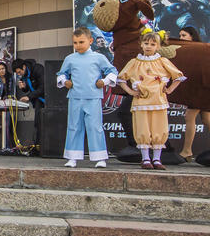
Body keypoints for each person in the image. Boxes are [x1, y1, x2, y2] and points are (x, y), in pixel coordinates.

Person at [117, 30, 185, 170]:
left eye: (153, 44)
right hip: (141, 102)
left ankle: (157, 159)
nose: (149, 46)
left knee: (159, 129)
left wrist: (170, 89)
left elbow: (178, 76)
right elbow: (121, 79)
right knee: (143, 129)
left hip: (158, 101)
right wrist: (131, 92)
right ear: (141, 44)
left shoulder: (162, 61)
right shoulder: (134, 62)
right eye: (146, 43)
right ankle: (145, 158)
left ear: (158, 46)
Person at [56, 28, 118, 168]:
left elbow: (112, 71)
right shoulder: (70, 59)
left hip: (93, 97)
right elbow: (61, 73)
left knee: (95, 127)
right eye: (75, 42)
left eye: (81, 42)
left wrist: (104, 81)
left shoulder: (99, 57)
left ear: (90, 41)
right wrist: (65, 82)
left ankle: (100, 158)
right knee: (74, 126)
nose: (78, 45)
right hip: (75, 97)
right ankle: (72, 157)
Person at [176, 26, 210, 161]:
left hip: (201, 89)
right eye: (180, 35)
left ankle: (187, 151)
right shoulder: (190, 50)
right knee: (207, 119)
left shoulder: (198, 49)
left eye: (184, 35)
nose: (181, 38)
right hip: (201, 89)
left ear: (192, 36)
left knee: (189, 116)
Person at [12, 57, 45, 144]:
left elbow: (43, 87)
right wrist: (23, 88)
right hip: (37, 99)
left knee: (40, 122)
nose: (19, 74)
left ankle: (39, 144)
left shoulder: (38, 69)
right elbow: (29, 88)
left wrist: (29, 97)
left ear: (24, 67)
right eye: (17, 73)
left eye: (19, 72)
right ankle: (37, 144)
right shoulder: (24, 75)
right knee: (37, 122)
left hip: (45, 98)